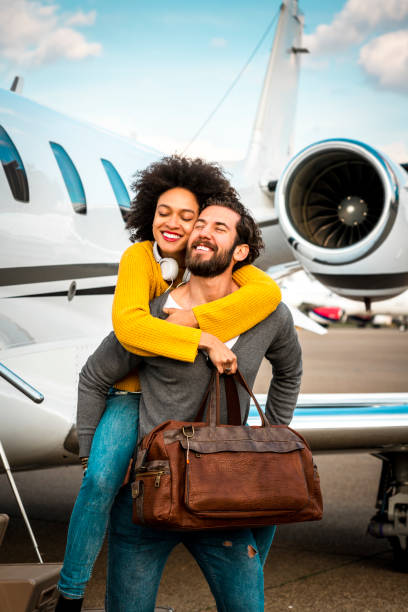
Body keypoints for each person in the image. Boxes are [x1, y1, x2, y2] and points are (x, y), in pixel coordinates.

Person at [56, 156, 282, 610]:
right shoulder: (140, 257)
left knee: (268, 498)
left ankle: (247, 566)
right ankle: (71, 592)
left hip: (179, 411)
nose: (176, 224)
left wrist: (197, 315)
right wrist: (202, 339)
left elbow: (269, 295)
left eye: (189, 216)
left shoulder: (220, 266)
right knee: (100, 479)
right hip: (129, 393)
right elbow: (132, 331)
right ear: (148, 215)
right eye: (163, 212)